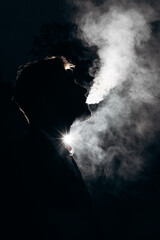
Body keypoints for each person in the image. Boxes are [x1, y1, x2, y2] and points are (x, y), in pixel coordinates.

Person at [12, 56, 103, 239]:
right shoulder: (28, 163)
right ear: (49, 100)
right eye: (71, 84)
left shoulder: (57, 153)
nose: (83, 90)